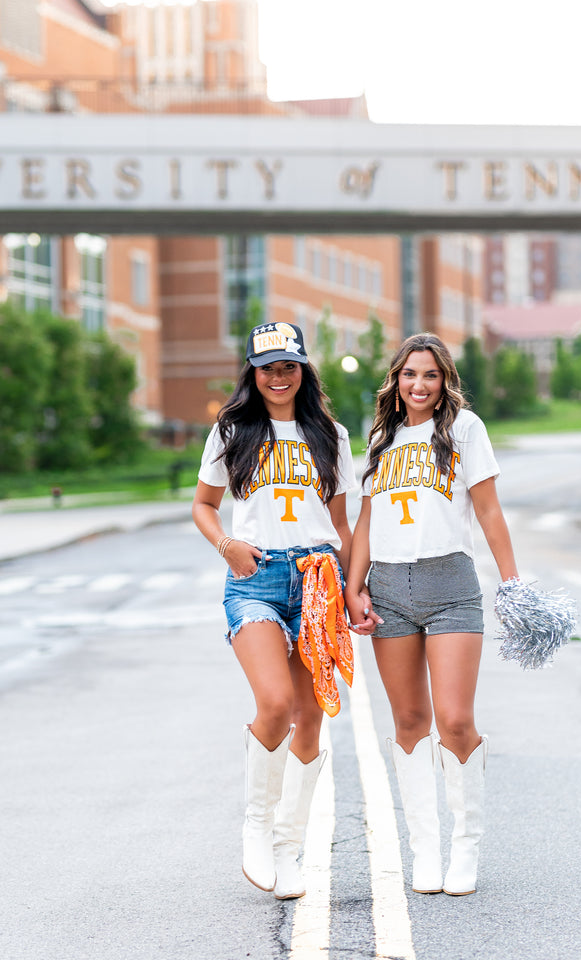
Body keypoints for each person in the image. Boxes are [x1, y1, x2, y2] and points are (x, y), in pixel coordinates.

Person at [345, 333, 519, 897]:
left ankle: (465, 846)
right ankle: (424, 851)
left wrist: (513, 584)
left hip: (451, 583)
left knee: (455, 719)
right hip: (389, 586)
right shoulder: (380, 438)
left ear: (445, 382)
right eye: (409, 374)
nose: (419, 385)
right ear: (395, 380)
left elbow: (489, 511)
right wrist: (355, 587)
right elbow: (366, 522)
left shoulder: (465, 430)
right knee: (409, 722)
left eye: (431, 375)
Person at [192, 321, 355, 900]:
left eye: (289, 366)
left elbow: (341, 525)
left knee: (312, 719)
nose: (278, 377)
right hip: (256, 580)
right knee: (276, 704)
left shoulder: (330, 435)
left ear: (303, 369)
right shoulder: (232, 430)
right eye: (268, 367)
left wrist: (354, 591)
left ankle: (289, 844)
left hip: (318, 582)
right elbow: (205, 506)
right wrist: (226, 545)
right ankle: (257, 826)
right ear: (252, 372)